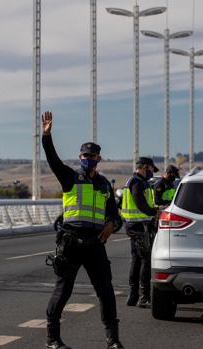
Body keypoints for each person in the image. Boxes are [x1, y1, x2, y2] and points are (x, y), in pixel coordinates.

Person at [41, 111, 124, 349]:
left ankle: (113, 340)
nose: (88, 158)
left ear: (99, 158)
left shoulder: (104, 184)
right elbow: (52, 159)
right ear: (80, 156)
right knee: (63, 291)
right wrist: (47, 136)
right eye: (85, 155)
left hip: (95, 244)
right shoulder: (69, 177)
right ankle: (52, 339)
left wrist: (111, 224)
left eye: (92, 155)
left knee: (106, 292)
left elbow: (114, 214)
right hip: (71, 243)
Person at [121, 157, 162, 308]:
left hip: (137, 224)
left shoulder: (139, 182)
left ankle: (133, 295)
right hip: (138, 225)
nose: (152, 172)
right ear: (144, 167)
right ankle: (144, 296)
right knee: (145, 259)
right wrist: (156, 210)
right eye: (151, 169)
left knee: (137, 259)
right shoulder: (136, 182)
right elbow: (141, 205)